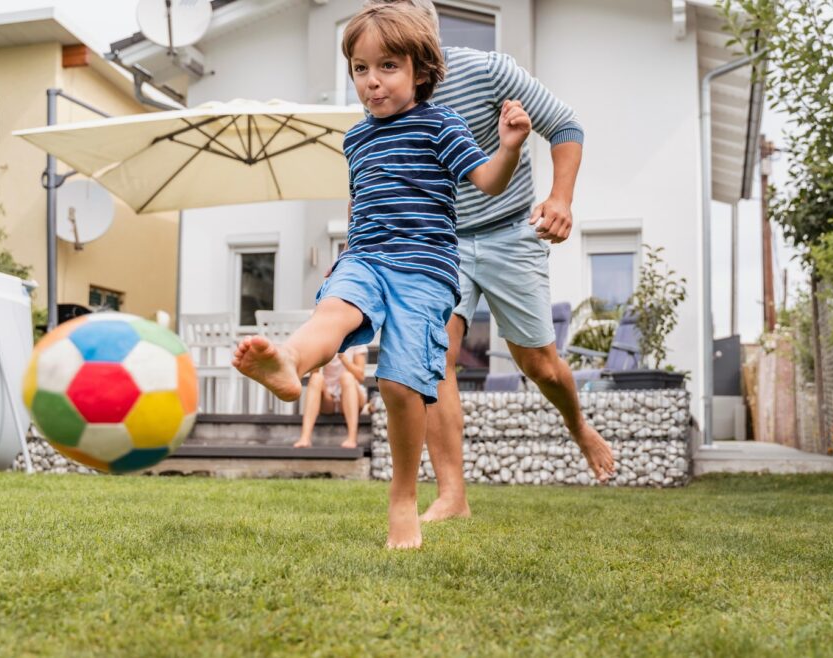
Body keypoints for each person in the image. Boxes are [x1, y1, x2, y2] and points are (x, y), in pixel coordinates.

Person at [233, 2, 531, 549]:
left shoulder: (441, 124)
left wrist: (508, 148)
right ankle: (290, 364)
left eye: (387, 66)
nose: (372, 82)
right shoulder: (356, 138)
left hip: (423, 269)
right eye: (360, 69)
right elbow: (359, 202)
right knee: (331, 311)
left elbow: (488, 180)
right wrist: (343, 260)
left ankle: (402, 497)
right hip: (365, 256)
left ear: (420, 70)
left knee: (399, 383)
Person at [368, 0, 617, 523]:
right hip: (441, 241)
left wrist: (560, 201)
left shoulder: (487, 70)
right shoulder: (384, 95)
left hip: (509, 231)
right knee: (436, 357)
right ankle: (452, 494)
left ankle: (577, 425)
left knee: (540, 366)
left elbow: (565, 127)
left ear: (428, 32)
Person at [294, 345, 368, 449]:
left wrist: (343, 358)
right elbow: (313, 374)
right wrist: (319, 357)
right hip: (330, 398)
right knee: (316, 378)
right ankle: (305, 438)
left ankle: (352, 438)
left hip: (351, 394)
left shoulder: (358, 341)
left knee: (346, 377)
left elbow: (360, 377)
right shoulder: (327, 340)